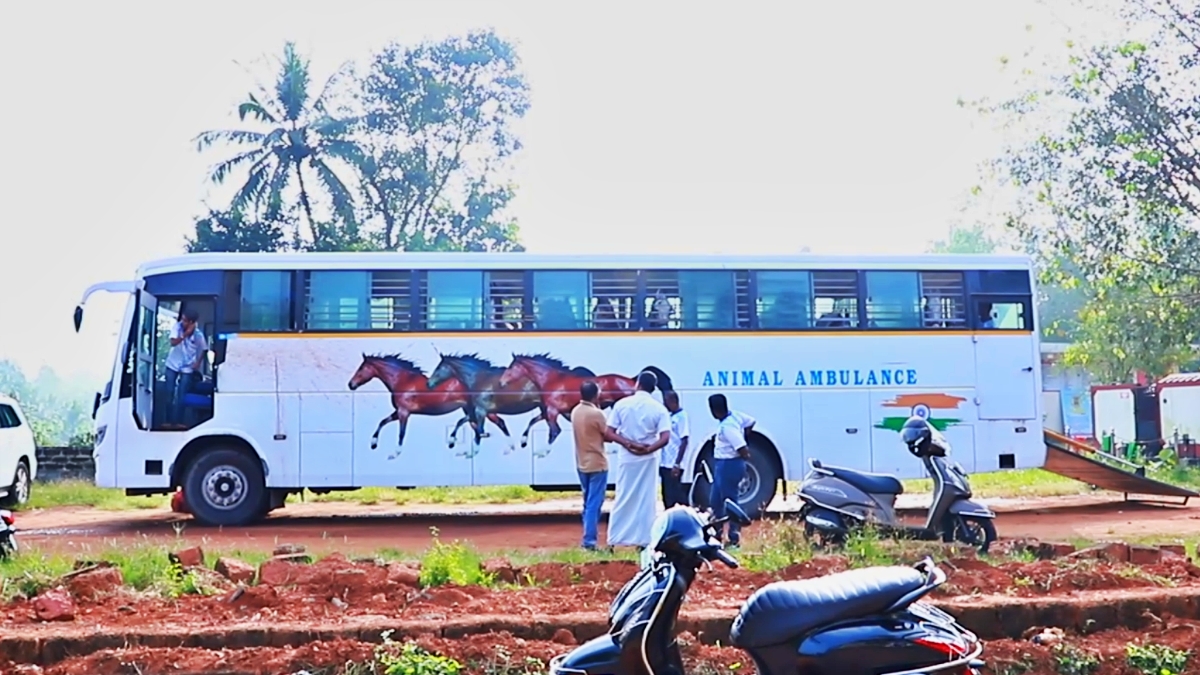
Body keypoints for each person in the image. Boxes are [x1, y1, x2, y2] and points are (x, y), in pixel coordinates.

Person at [572, 380, 640, 550]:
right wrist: (627, 441)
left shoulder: (575, 411)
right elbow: (608, 435)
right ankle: (589, 542)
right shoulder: (597, 414)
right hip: (597, 463)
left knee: (587, 502)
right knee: (595, 504)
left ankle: (587, 539)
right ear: (596, 395)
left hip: (581, 462)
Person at [606, 370, 671, 549]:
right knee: (646, 498)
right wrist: (648, 448)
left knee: (624, 496)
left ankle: (616, 538)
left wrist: (627, 444)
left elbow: (609, 432)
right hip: (649, 459)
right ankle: (643, 540)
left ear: (637, 384)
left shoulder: (622, 405)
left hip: (627, 458)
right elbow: (665, 437)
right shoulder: (659, 408)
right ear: (653, 388)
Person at [708, 393, 751, 547]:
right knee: (716, 500)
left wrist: (743, 456)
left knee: (729, 501)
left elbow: (742, 448)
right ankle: (718, 535)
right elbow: (751, 422)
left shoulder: (727, 427)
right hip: (725, 464)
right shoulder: (736, 416)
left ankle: (734, 537)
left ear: (713, 410)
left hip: (728, 464)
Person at [164, 307, 208, 429]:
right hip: (173, 364)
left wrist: (198, 362)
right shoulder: (177, 327)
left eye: (185, 320)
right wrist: (184, 335)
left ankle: (178, 422)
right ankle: (168, 421)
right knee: (169, 391)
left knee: (181, 394)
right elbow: (173, 343)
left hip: (187, 366)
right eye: (182, 319)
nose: (182, 322)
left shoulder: (198, 335)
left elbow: (204, 349)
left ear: (192, 322)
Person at [660, 390, 689, 509]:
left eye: (666, 401)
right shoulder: (670, 416)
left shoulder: (681, 417)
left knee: (676, 494)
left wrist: (677, 463)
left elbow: (684, 440)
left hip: (673, 464)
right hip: (665, 463)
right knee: (666, 495)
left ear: (673, 401)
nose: (664, 404)